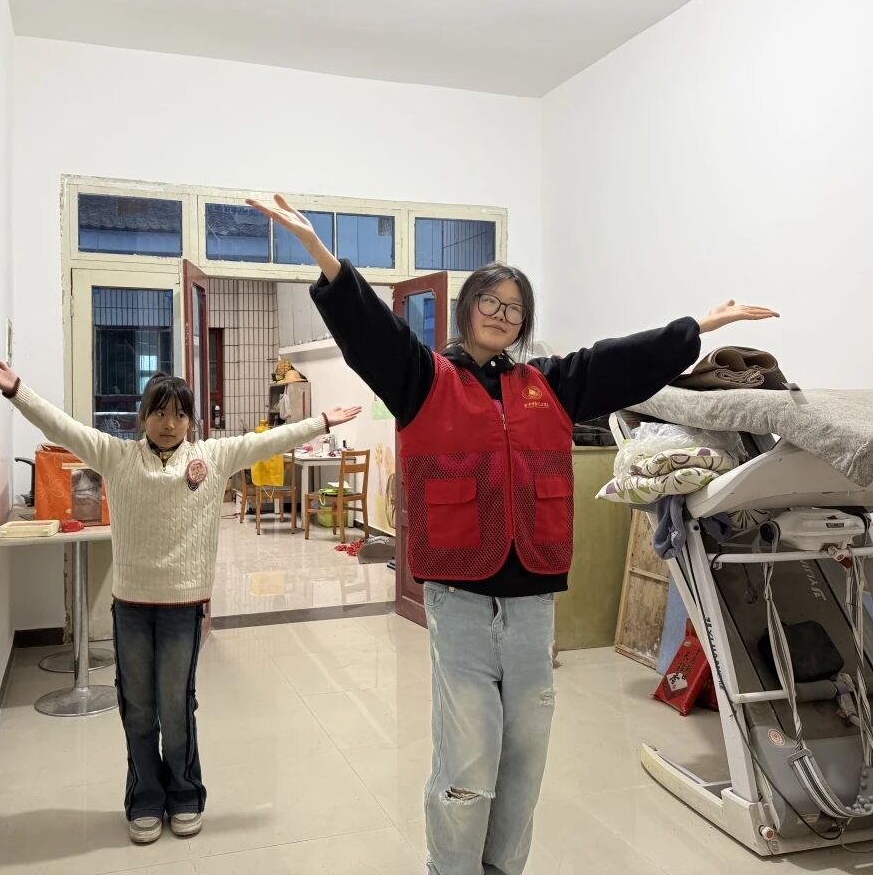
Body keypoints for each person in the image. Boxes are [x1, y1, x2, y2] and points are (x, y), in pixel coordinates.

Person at [246, 193, 778, 875]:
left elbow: (619, 360)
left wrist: (700, 325)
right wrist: (324, 256)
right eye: (490, 302)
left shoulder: (548, 383)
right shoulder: (424, 379)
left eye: (515, 308)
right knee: (468, 757)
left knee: (526, 755)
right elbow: (371, 333)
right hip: (461, 597)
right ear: (467, 309)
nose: (501, 315)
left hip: (532, 599)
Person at [0, 357, 360, 845]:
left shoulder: (212, 458)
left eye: (179, 414)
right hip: (131, 605)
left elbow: (268, 442)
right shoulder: (117, 457)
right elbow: (63, 428)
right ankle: (145, 798)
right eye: (159, 413)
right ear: (143, 416)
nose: (169, 424)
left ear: (191, 420)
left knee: (176, 707)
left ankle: (185, 794)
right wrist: (18, 391)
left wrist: (321, 422)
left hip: (182, 606)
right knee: (137, 708)